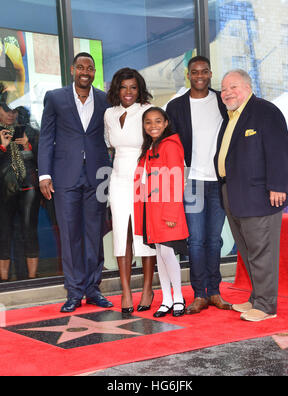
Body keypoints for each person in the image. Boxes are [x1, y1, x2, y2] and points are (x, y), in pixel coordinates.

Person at [214, 69, 288, 322]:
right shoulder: (232, 116)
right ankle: (256, 298)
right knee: (247, 251)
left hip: (261, 195)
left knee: (262, 250)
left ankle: (267, 306)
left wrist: (278, 185)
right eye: (224, 89)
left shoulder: (265, 111)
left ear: (248, 87)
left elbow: (279, 149)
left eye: (233, 87)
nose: (227, 93)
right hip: (233, 192)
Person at [38, 52, 113, 313]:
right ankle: (74, 291)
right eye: (80, 67)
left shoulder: (104, 99)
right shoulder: (56, 98)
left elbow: (108, 136)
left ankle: (93, 289)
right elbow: (46, 137)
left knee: (94, 234)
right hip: (64, 176)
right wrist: (44, 174)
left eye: (90, 68)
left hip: (97, 175)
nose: (85, 71)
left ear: (94, 72)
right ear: (72, 70)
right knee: (70, 235)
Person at [166, 55, 232, 314]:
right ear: (188, 75)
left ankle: (215, 292)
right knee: (195, 241)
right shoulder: (176, 106)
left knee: (214, 240)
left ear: (211, 73)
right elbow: (170, 143)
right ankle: (199, 294)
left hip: (218, 180)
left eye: (205, 71)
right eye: (195, 72)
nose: (200, 75)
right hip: (191, 180)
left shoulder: (222, 101)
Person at [105, 68, 156, 314]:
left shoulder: (148, 111)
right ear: (117, 89)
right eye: (124, 87)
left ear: (140, 89)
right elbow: (109, 146)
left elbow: (158, 143)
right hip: (117, 179)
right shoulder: (109, 114)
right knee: (121, 235)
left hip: (143, 178)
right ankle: (126, 291)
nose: (128, 92)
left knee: (144, 234)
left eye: (133, 87)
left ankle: (147, 288)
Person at [134, 107, 189, 317]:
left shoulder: (171, 146)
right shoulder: (150, 146)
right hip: (151, 209)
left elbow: (176, 182)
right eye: (148, 122)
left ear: (166, 123)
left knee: (167, 253)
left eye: (158, 121)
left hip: (166, 211)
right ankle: (166, 299)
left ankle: (178, 298)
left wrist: (171, 214)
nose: (153, 125)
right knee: (160, 255)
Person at [0, 103, 40, 281]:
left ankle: (32, 279)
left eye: (13, 111)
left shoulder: (29, 131)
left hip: (28, 188)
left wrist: (28, 144)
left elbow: (43, 158)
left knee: (29, 231)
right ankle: (5, 281)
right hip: (4, 190)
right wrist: (3, 146)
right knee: (4, 233)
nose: (10, 114)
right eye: (6, 111)